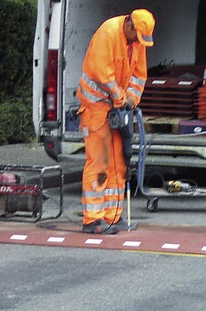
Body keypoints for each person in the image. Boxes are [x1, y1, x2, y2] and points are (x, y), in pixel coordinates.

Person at [76, 9, 155, 234]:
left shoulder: (137, 41)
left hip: (117, 108)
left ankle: (113, 215)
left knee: (119, 163)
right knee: (99, 162)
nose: (138, 43)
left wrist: (133, 99)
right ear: (129, 24)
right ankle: (92, 219)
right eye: (137, 37)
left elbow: (140, 75)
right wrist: (121, 99)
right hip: (97, 107)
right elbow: (102, 74)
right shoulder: (108, 33)